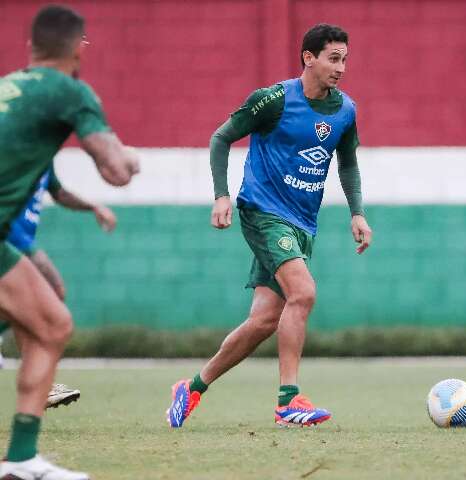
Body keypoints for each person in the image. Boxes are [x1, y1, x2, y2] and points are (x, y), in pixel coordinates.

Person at [167, 23, 372, 428]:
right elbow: (221, 138)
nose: (341, 68)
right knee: (305, 292)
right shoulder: (273, 100)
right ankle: (288, 402)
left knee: (263, 320)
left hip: (303, 223)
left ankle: (191, 388)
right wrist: (221, 194)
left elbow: (347, 163)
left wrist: (357, 212)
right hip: (262, 211)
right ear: (308, 58)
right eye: (334, 58)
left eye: (345, 59)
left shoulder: (345, 110)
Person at [0, 5, 139, 480]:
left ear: (30, 47)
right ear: (78, 49)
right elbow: (116, 171)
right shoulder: (70, 91)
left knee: (52, 322)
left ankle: (20, 459)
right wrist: (131, 160)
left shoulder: (8, 87)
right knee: (52, 324)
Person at [0, 162, 118, 409]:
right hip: (10, 238)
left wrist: (93, 207)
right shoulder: (16, 142)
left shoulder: (44, 155)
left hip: (19, 242)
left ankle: (41, 385)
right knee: (48, 295)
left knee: (28, 308)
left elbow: (60, 193)